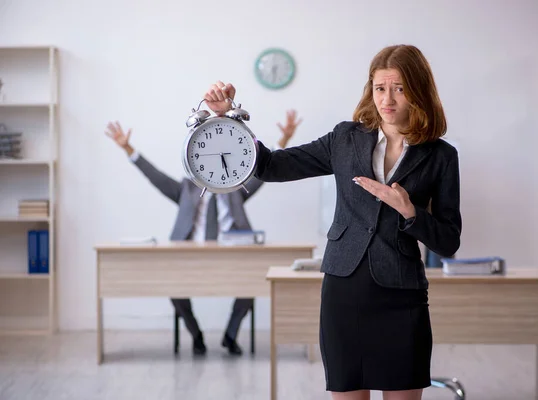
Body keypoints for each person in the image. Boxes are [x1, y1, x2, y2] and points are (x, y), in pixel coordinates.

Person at [204, 45, 461, 400]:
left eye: (399, 88)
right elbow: (272, 165)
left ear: (418, 90)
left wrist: (411, 213)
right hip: (344, 291)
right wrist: (228, 118)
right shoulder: (345, 138)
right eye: (379, 87)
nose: (387, 99)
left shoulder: (441, 156)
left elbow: (448, 241)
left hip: (402, 296)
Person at [104, 108, 301, 356]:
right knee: (174, 290)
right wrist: (128, 149)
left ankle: (230, 335)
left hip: (233, 255)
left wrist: (283, 141)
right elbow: (155, 177)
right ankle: (196, 335)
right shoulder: (185, 190)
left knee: (252, 284)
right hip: (190, 255)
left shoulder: (235, 189)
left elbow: (262, 174)